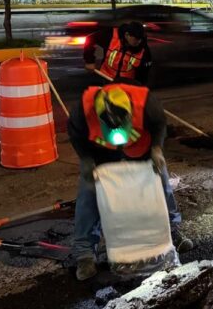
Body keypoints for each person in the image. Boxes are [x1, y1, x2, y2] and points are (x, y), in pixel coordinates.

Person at [68, 82, 192, 281]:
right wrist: (85, 159)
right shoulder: (82, 111)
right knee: (88, 193)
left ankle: (172, 232)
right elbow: (75, 136)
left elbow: (159, 124)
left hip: (140, 148)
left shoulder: (146, 103)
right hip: (101, 153)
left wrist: (157, 149)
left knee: (160, 182)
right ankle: (84, 253)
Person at [85, 21, 153, 85]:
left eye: (140, 39)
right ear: (127, 35)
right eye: (136, 39)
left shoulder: (143, 49)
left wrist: (140, 85)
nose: (138, 42)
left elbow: (145, 71)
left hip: (127, 84)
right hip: (107, 79)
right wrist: (89, 61)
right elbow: (90, 39)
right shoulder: (111, 35)